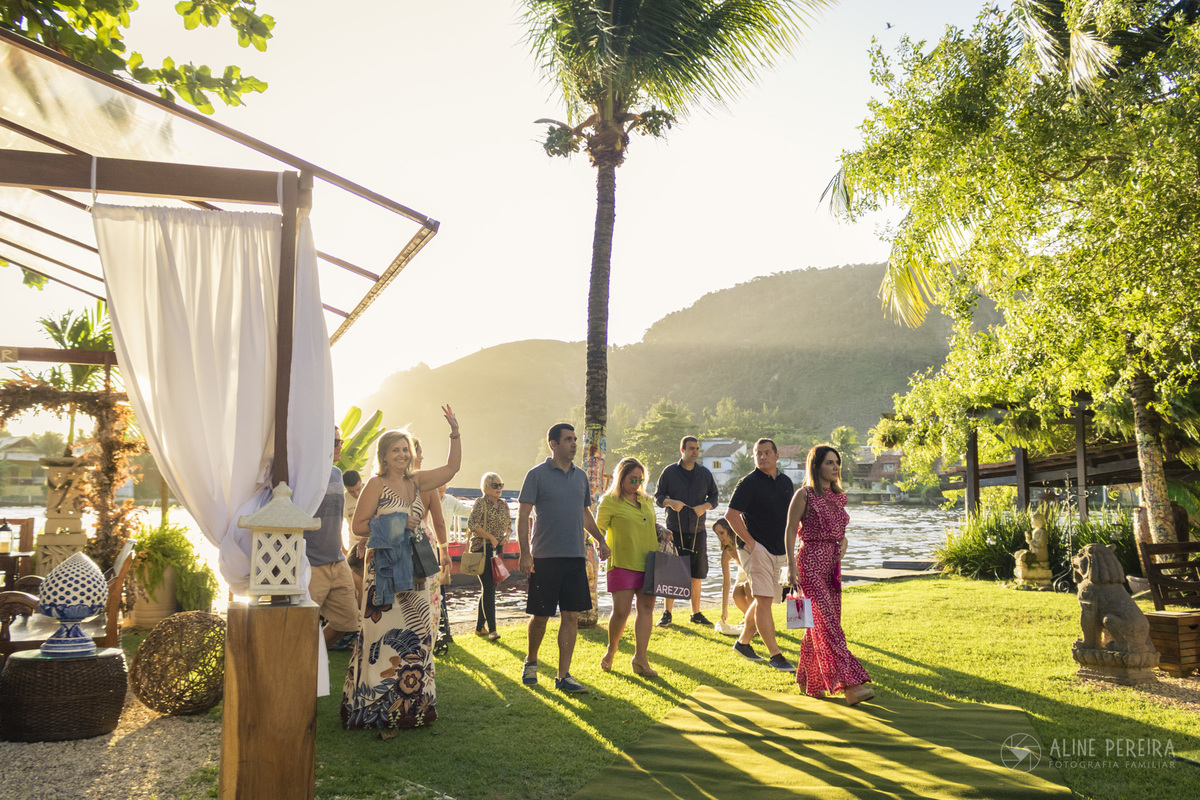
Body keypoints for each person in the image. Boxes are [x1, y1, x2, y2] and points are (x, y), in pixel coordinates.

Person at [341, 406, 460, 730]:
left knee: (418, 634)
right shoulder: (376, 485)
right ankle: (372, 707)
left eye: (406, 449)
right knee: (380, 635)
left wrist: (454, 432)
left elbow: (451, 468)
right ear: (384, 455)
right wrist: (394, 523)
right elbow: (359, 526)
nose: (402, 455)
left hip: (418, 571)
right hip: (384, 571)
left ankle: (413, 708)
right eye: (396, 450)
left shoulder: (420, 481)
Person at [517, 422, 611, 694]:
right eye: (568, 439)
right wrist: (525, 553)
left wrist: (600, 539)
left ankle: (563, 675)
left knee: (571, 616)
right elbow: (522, 516)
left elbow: (584, 514)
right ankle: (531, 661)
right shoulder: (537, 475)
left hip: (574, 557)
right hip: (545, 558)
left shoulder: (581, 477)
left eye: (575, 439)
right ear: (554, 444)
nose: (573, 444)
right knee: (541, 616)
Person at [786, 445, 874, 705]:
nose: (835, 467)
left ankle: (807, 681)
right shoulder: (804, 495)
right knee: (829, 626)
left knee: (819, 624)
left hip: (831, 566)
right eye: (829, 463)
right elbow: (790, 530)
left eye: (837, 463)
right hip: (810, 564)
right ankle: (850, 685)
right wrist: (790, 566)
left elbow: (839, 528)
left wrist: (843, 540)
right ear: (816, 466)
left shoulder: (838, 497)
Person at [726, 438, 794, 671]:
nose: (762, 457)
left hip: (780, 549)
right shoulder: (748, 483)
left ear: (777, 456)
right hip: (755, 549)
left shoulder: (786, 482)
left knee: (765, 599)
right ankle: (775, 655)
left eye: (767, 453)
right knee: (764, 599)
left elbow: (790, 517)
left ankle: (743, 643)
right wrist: (752, 544)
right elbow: (731, 516)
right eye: (758, 453)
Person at [595, 457, 661, 677]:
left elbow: (649, 523)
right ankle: (611, 650)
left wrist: (662, 530)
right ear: (621, 477)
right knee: (621, 612)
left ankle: (641, 659)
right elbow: (598, 530)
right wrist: (601, 545)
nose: (637, 484)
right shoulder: (609, 501)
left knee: (646, 610)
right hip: (622, 562)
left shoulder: (646, 500)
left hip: (649, 562)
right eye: (633, 479)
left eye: (641, 479)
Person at [654, 436, 720, 626]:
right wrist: (670, 502)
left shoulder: (705, 473)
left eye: (697, 449)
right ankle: (667, 613)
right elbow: (658, 497)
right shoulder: (669, 472)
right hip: (674, 530)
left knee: (697, 573)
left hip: (698, 529)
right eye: (691, 448)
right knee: (671, 573)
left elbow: (715, 498)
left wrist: (705, 506)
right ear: (682, 449)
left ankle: (696, 614)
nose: (695, 452)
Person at [308, 427, 360, 648]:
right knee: (302, 622)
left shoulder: (337, 474)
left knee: (349, 621)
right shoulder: (305, 475)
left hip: (337, 561)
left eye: (340, 441)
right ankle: (307, 662)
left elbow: (335, 519)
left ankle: (314, 652)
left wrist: (342, 548)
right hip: (311, 563)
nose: (340, 446)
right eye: (336, 442)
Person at [468, 472, 512, 640]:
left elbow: (508, 525)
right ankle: (492, 629)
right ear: (485, 488)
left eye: (501, 485)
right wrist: (490, 537)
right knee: (488, 586)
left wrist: (506, 536)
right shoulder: (480, 503)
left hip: (497, 548)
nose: (499, 488)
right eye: (495, 485)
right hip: (482, 549)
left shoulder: (503, 504)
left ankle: (480, 627)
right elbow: (473, 525)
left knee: (491, 587)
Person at [712, 516, 750, 636]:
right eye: (717, 534)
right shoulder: (726, 553)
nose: (720, 537)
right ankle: (749, 617)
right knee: (736, 595)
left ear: (730, 530)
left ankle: (755, 619)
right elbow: (726, 582)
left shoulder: (743, 543)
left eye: (722, 533)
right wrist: (724, 609)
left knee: (748, 588)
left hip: (754, 569)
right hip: (743, 572)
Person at [343, 469, 365, 604]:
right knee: (356, 581)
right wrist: (342, 549)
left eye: (358, 489)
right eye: (352, 491)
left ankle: (362, 617)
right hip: (355, 547)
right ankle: (359, 617)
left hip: (372, 544)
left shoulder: (370, 492)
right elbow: (338, 525)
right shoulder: (343, 499)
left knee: (366, 583)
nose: (356, 494)